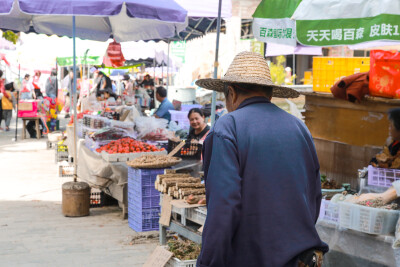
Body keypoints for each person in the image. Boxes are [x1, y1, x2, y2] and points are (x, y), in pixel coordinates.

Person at [195, 52, 328, 267]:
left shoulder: (228, 127)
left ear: (232, 93)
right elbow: (314, 196)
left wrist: (209, 263)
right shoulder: (299, 127)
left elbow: (223, 208)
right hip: (302, 257)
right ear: (269, 94)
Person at [356, 108, 400, 203]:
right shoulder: (392, 144)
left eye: (391, 125)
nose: (389, 128)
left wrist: (384, 196)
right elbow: (375, 161)